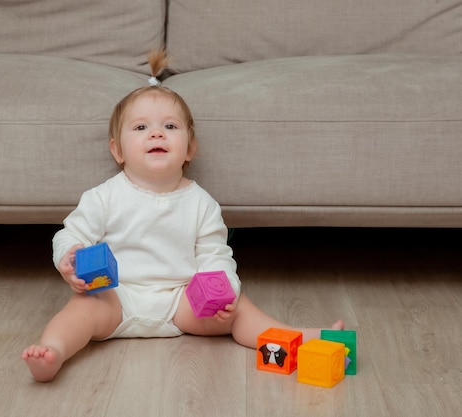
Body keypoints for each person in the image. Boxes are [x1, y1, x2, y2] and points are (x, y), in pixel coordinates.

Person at [22, 50, 343, 382]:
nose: (157, 133)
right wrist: (69, 256)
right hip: (116, 297)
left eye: (170, 126)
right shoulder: (103, 196)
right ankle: (53, 352)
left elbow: (215, 257)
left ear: (189, 148)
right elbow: (70, 233)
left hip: (182, 302)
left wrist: (225, 294)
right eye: (141, 127)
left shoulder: (201, 203)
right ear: (117, 150)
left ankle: (294, 337)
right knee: (80, 309)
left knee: (240, 309)